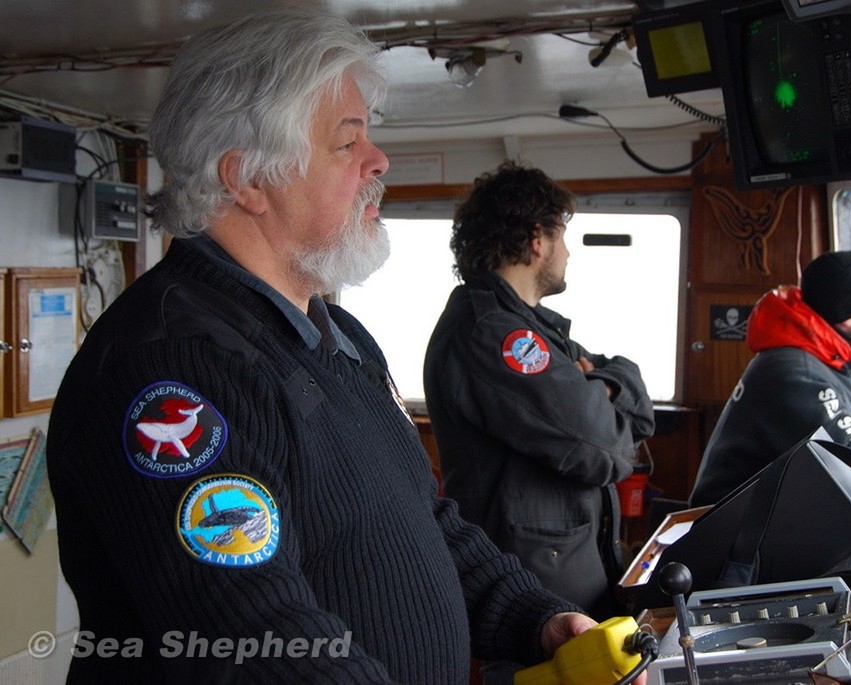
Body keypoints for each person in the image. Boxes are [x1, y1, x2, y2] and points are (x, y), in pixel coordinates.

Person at [45, 10, 611, 683]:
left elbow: (422, 517)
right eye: (347, 143)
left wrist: (533, 616)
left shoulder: (338, 335)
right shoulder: (173, 370)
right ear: (248, 179)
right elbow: (258, 636)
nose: (379, 160)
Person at [423, 161, 656, 620]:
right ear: (537, 238)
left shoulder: (535, 331)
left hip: (562, 579)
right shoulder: (494, 335)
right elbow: (604, 449)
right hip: (529, 594)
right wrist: (596, 392)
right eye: (562, 236)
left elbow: (640, 407)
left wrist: (601, 384)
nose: (568, 252)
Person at [689, 250, 851, 507]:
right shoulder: (794, 373)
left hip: (774, 515)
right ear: (848, 314)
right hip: (727, 527)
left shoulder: (827, 356)